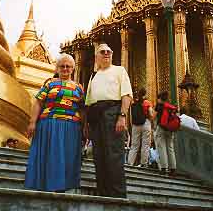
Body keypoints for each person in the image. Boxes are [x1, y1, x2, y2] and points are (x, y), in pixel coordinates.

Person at [25, 53, 84, 192]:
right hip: (49, 123)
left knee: (66, 156)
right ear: (57, 68)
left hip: (71, 126)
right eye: (62, 66)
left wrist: (84, 127)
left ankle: (62, 186)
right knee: (49, 154)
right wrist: (32, 122)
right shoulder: (50, 83)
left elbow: (82, 109)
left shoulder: (78, 88)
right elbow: (38, 102)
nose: (65, 69)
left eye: (68, 66)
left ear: (73, 69)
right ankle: (45, 184)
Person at [85, 43, 133, 198]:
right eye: (102, 52)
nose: (106, 54)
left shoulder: (119, 70)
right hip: (95, 116)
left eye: (108, 52)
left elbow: (126, 95)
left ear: (112, 55)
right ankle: (103, 192)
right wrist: (86, 124)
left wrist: (122, 116)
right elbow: (88, 102)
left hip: (113, 113)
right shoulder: (94, 76)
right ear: (97, 57)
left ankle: (117, 195)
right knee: (99, 155)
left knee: (114, 154)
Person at [128, 87, 153, 167]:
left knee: (134, 145)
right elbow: (151, 114)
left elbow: (131, 116)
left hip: (135, 125)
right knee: (145, 144)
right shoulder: (147, 103)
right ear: (145, 94)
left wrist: (133, 124)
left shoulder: (133, 103)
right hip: (145, 123)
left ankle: (130, 162)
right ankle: (144, 163)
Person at [153, 91, 177, 175]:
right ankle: (173, 168)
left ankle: (164, 167)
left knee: (161, 147)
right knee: (170, 148)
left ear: (160, 98)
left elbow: (153, 116)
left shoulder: (159, 106)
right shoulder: (170, 106)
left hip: (161, 128)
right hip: (170, 129)